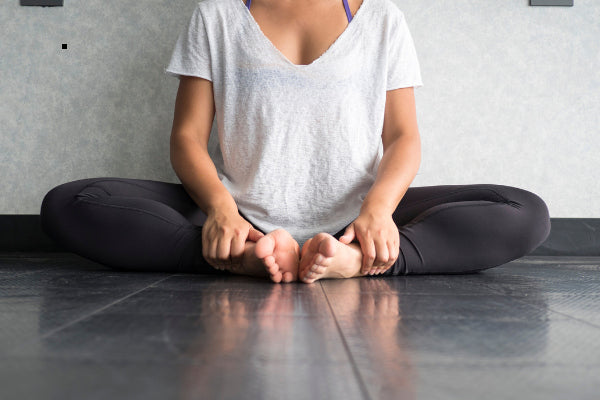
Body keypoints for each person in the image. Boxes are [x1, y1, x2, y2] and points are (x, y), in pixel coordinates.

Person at [40, 0, 551, 284]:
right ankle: (240, 255)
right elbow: (187, 138)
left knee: (523, 211)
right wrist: (220, 210)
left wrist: (377, 211)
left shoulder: (382, 19)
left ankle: (360, 260)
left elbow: (403, 138)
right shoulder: (215, 16)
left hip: (358, 220)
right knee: (70, 204)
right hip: (244, 217)